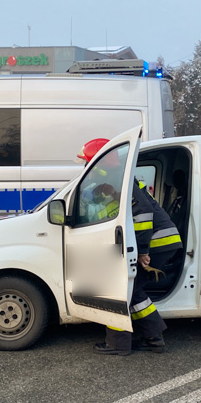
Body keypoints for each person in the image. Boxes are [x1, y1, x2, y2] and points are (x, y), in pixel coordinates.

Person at [76, 138, 183, 356]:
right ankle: (152, 338)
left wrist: (143, 251)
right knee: (130, 290)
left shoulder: (119, 182)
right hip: (158, 240)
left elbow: (142, 214)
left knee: (119, 289)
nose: (86, 167)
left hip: (158, 242)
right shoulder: (113, 183)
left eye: (88, 162)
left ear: (100, 165)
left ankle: (121, 343)